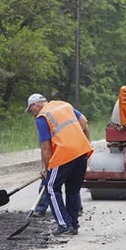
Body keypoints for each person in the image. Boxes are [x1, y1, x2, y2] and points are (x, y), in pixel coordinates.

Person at [25, 93, 93, 235]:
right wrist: (86, 144)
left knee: (50, 187)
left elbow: (45, 147)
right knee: (72, 190)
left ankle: (64, 225)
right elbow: (84, 122)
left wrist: (48, 168)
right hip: (81, 152)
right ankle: (73, 225)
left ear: (35, 105)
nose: (33, 114)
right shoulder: (64, 105)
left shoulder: (42, 117)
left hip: (64, 154)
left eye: (31, 110)